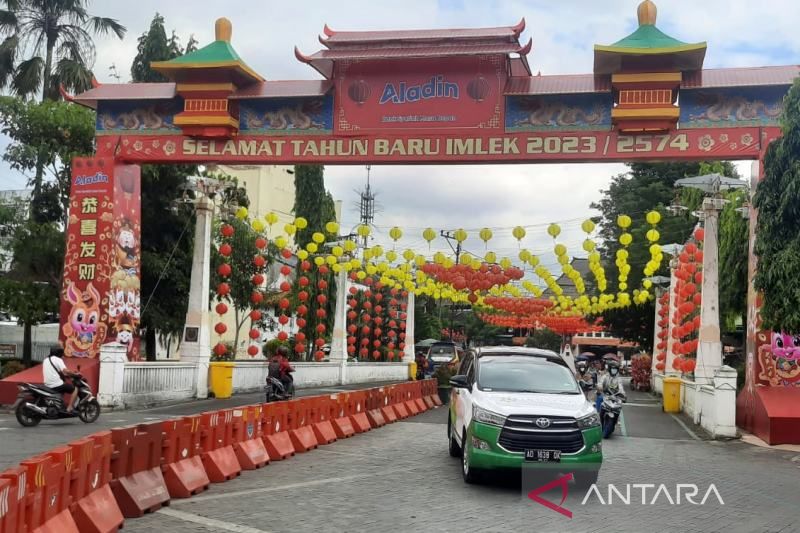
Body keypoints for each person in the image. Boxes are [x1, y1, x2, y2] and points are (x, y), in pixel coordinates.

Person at [43, 347, 79, 413]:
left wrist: (67, 375)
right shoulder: (58, 359)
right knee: (75, 389)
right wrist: (75, 374)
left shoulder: (46, 360)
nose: (62, 356)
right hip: (56, 384)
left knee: (63, 386)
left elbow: (59, 372)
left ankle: (59, 404)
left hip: (47, 384)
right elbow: (65, 371)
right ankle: (70, 407)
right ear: (59, 353)